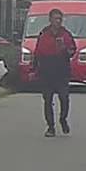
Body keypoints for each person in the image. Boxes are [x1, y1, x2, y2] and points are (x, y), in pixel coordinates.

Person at [35, 8, 77, 137]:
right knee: (47, 100)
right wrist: (35, 69)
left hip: (62, 72)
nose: (58, 21)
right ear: (50, 20)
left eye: (60, 19)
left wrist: (65, 49)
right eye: (55, 19)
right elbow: (37, 53)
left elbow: (72, 50)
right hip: (47, 72)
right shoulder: (44, 34)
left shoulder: (66, 34)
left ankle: (63, 119)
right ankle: (50, 127)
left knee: (64, 98)